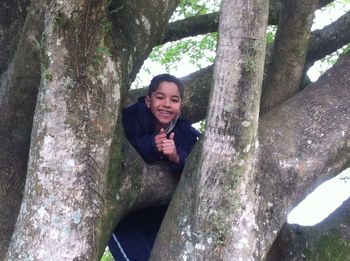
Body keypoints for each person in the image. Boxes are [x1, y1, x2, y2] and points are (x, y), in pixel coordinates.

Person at [108, 74, 200, 261]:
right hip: (125, 218)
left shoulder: (186, 133)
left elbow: (195, 171)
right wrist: (151, 144)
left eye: (174, 100)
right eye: (160, 97)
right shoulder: (131, 118)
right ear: (148, 101)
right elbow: (117, 152)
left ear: (180, 106)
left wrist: (176, 157)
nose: (167, 104)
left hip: (161, 216)